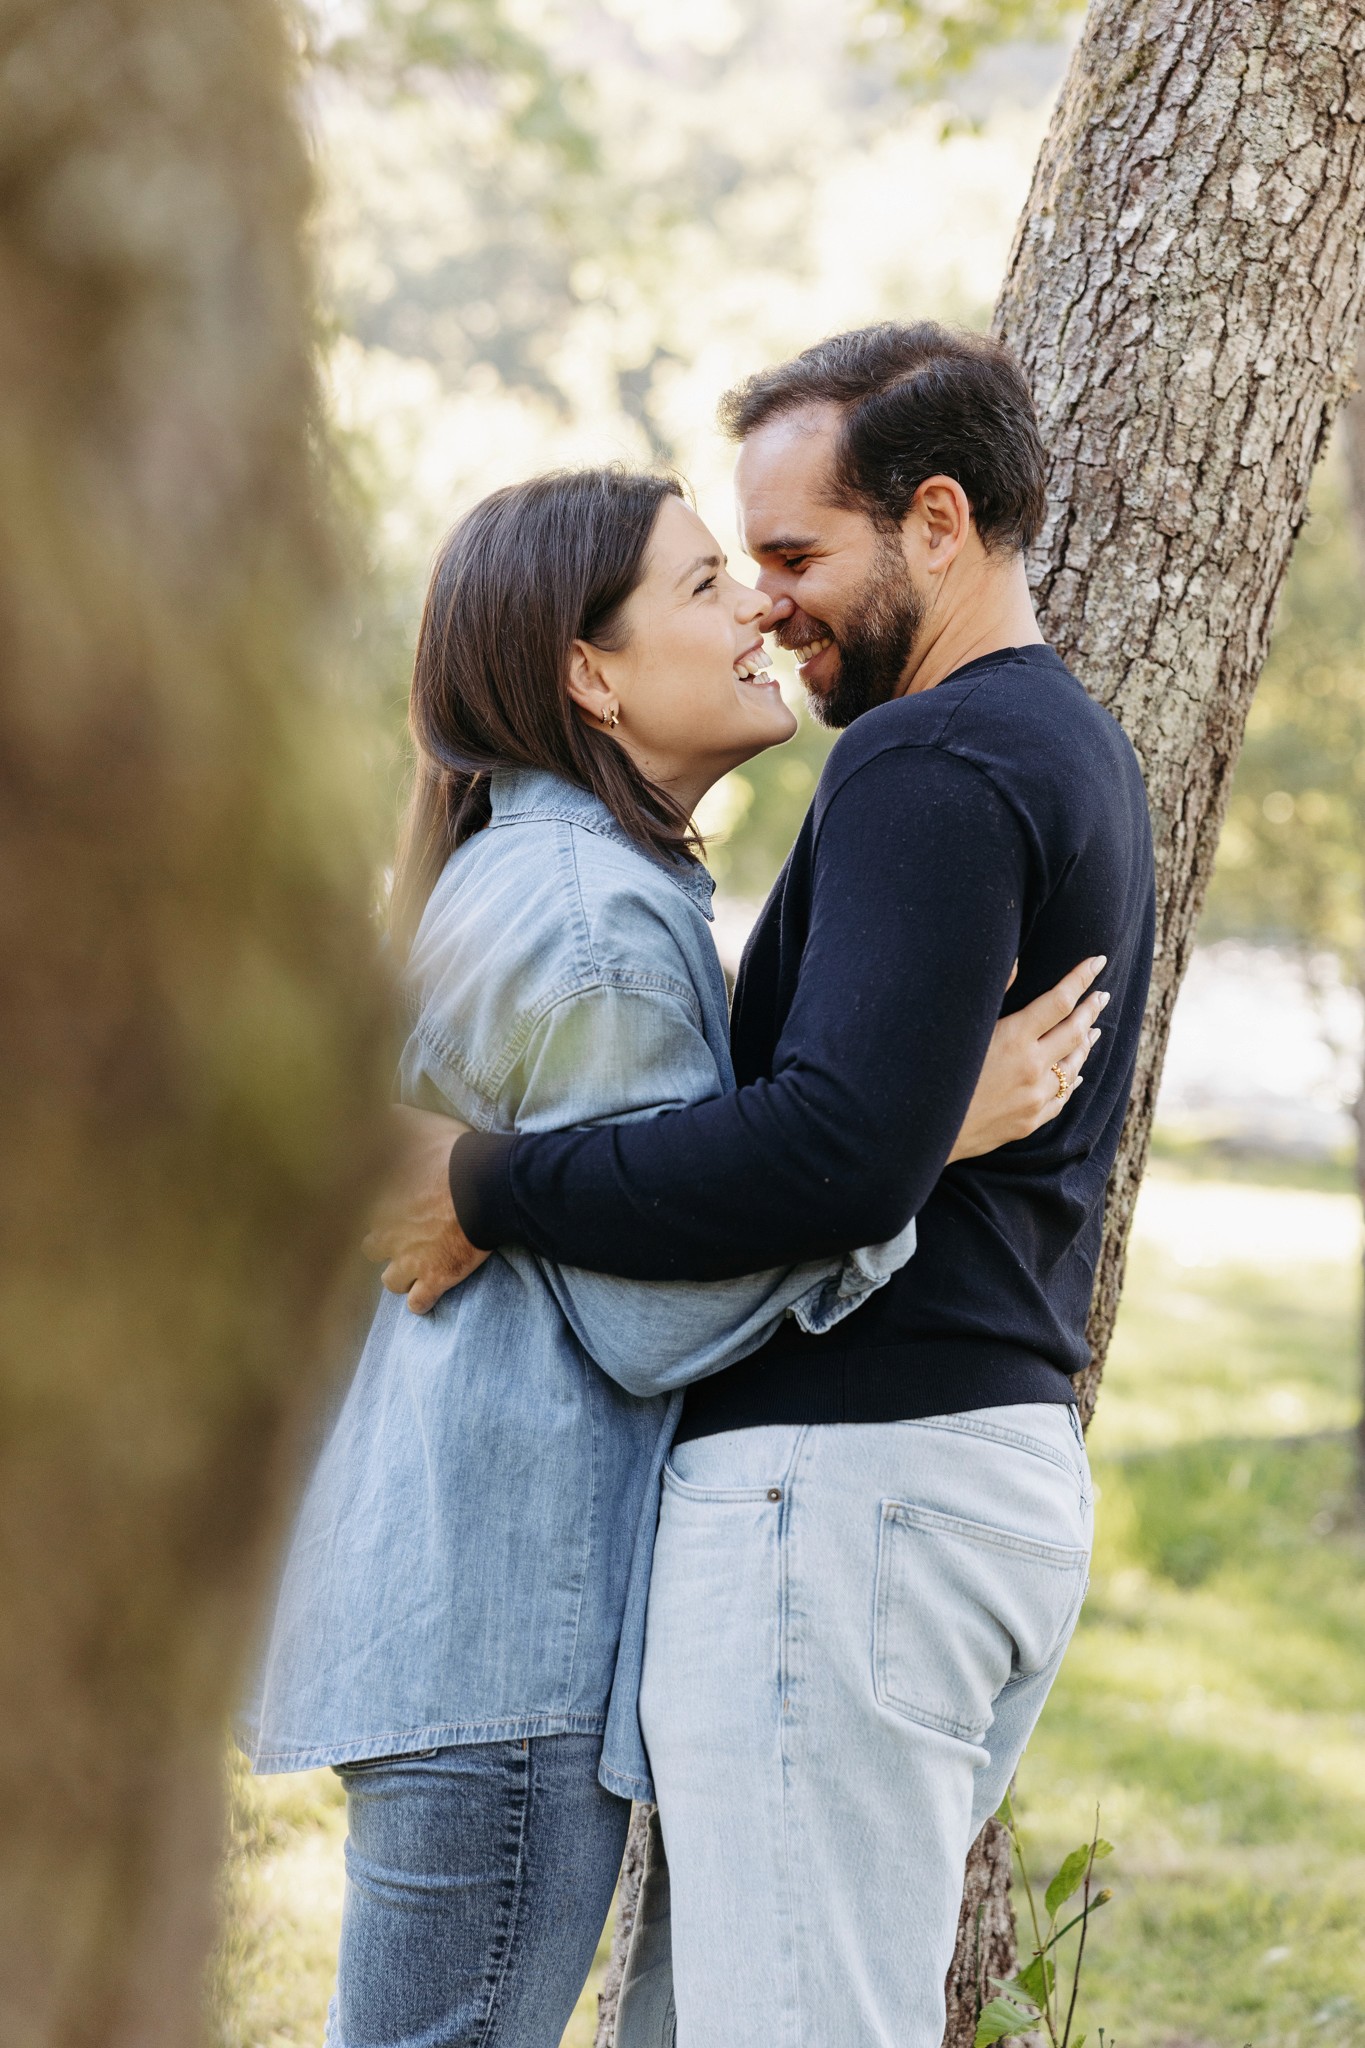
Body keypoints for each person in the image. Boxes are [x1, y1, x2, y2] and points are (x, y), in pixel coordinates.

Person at [363, 323, 1157, 2048]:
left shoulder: (926, 759)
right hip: (946, 1486)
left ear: (934, 523)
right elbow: (867, 1133)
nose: (773, 606)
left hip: (852, 1498)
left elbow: (829, 1148)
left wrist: (490, 1184)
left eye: (791, 557)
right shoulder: (1065, 748)